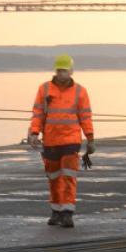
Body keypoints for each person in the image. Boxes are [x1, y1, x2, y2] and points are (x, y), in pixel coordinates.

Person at [24, 54, 94, 228]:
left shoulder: (80, 91)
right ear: (56, 71)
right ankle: (56, 211)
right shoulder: (45, 89)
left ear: (71, 71)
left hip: (70, 141)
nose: (62, 73)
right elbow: (38, 113)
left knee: (69, 176)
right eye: (60, 70)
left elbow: (85, 116)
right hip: (51, 141)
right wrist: (34, 132)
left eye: (65, 70)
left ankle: (67, 212)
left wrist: (90, 138)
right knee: (54, 178)